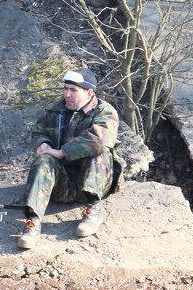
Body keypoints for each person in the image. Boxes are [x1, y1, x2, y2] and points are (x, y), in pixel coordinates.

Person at [18, 68, 120, 250]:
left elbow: (99, 139)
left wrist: (62, 152)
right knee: (43, 161)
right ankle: (33, 222)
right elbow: (38, 132)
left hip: (93, 183)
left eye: (74, 90)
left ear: (89, 93)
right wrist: (42, 144)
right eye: (65, 89)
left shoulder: (105, 111)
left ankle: (93, 211)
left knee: (100, 152)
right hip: (60, 185)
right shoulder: (55, 110)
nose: (67, 94)